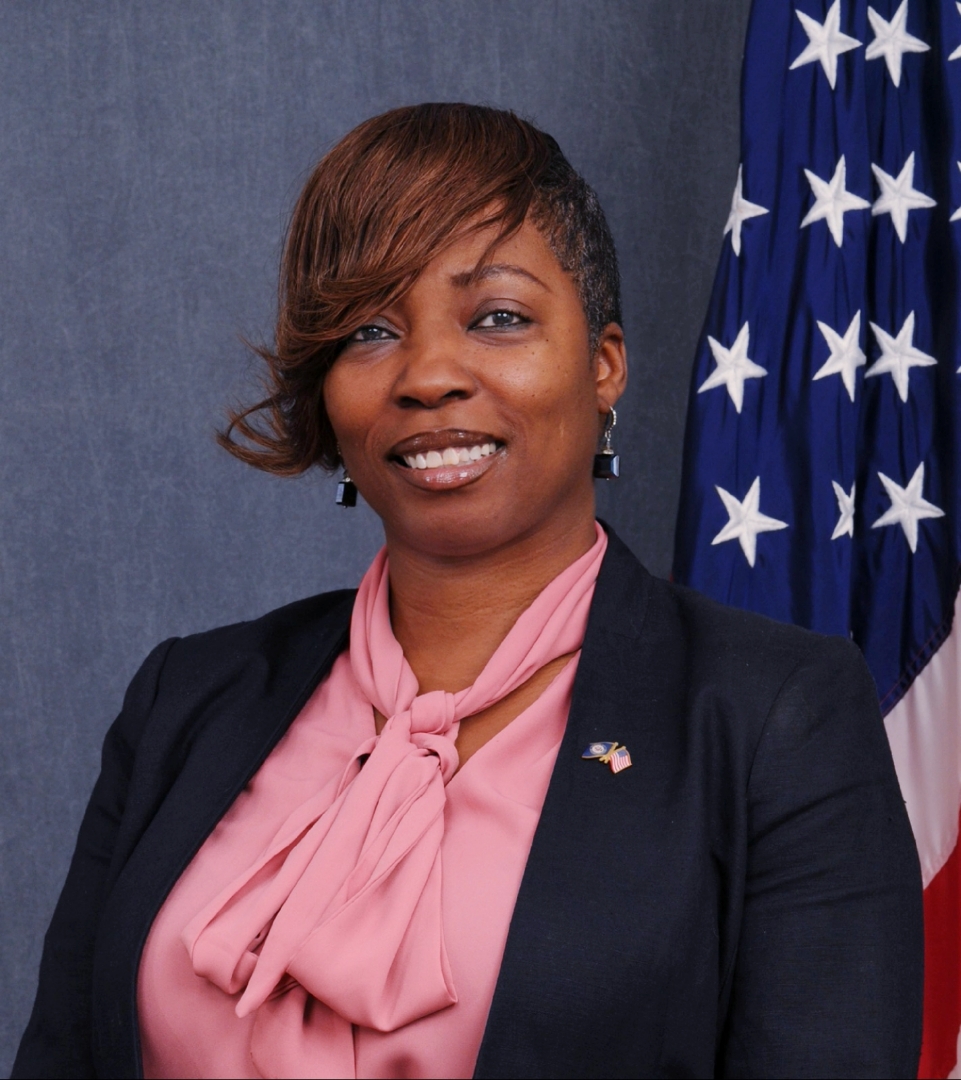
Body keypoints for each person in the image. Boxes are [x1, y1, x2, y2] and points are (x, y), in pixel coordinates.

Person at [13, 103, 923, 1080]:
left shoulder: (772, 719)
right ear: (327, 391)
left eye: (497, 317)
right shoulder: (185, 700)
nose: (429, 374)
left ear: (602, 363)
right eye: (369, 330)